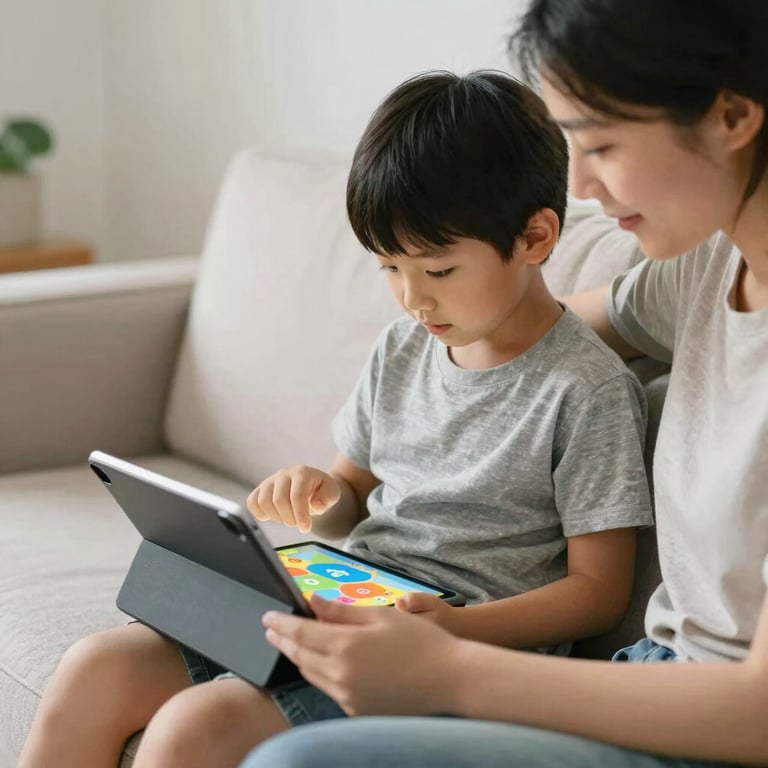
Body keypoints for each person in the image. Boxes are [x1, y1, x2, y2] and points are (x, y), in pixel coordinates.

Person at [17, 70, 652, 768]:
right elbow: (348, 499)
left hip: (455, 651)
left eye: (438, 271)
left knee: (197, 726)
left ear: (535, 237)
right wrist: (319, 495)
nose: (412, 298)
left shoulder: (586, 389)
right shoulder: (404, 348)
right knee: (95, 669)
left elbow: (598, 594)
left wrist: (454, 627)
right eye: (389, 268)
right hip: (346, 601)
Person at [236, 1, 768, 767]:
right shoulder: (704, 269)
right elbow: (541, 330)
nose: (579, 184)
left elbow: (756, 710)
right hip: (648, 673)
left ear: (732, 116)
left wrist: (446, 662)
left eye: (601, 143)